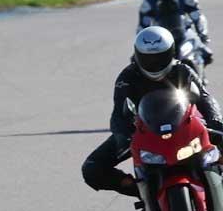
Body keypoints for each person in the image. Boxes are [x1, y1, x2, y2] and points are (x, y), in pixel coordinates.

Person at [82, 26, 223, 199]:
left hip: (185, 125)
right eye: (148, 58)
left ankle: (217, 177)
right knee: (92, 168)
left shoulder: (182, 70)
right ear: (137, 54)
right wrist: (122, 136)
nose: (154, 63)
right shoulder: (127, 77)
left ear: (171, 52)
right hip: (143, 132)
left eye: (160, 57)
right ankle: (142, 192)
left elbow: (205, 98)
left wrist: (215, 120)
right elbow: (118, 113)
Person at [138, 0, 213, 65]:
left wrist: (202, 33)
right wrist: (141, 45)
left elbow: (197, 16)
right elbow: (142, 25)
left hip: (184, 32)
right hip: (161, 36)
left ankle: (200, 78)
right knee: (139, 61)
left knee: (206, 54)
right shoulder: (149, 1)